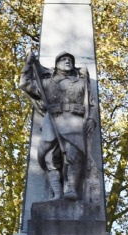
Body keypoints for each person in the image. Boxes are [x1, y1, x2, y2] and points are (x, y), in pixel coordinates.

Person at [20, 51, 96, 200]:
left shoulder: (81, 82)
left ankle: (71, 189)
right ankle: (57, 192)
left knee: (73, 156)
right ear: (56, 65)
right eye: (63, 59)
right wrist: (28, 64)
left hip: (74, 121)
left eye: (70, 59)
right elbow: (24, 84)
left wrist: (92, 119)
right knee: (49, 157)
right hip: (52, 120)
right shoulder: (48, 82)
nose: (67, 61)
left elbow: (92, 104)